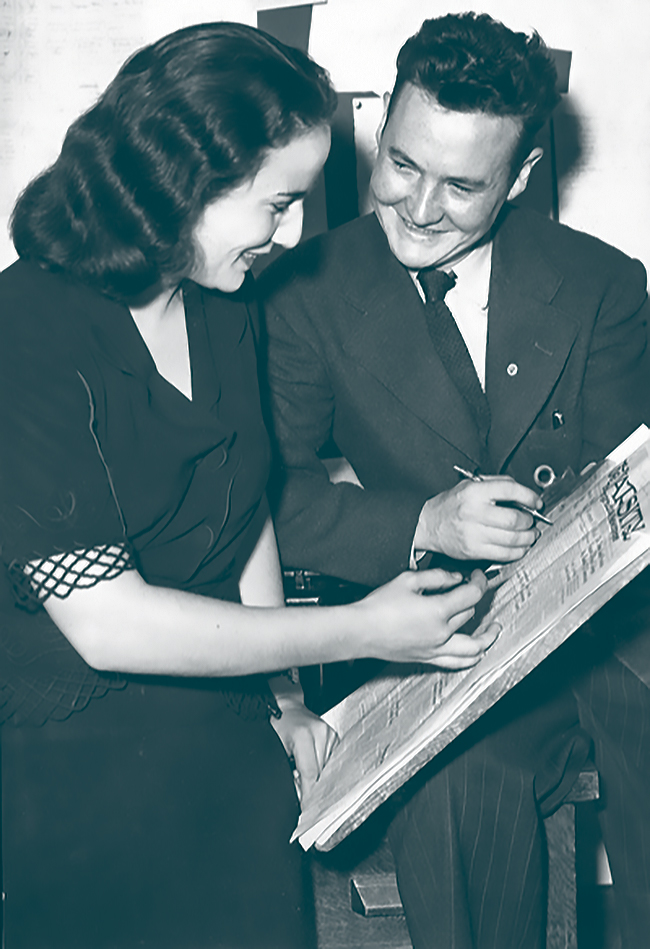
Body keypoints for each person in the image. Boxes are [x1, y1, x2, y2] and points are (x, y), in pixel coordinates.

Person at [0, 21, 499, 949]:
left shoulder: (223, 306)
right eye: (277, 203)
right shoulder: (26, 332)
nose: (294, 231)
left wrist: (286, 700)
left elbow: (247, 512)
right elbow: (108, 623)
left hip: (224, 716)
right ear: (182, 185)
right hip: (68, 757)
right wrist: (363, 626)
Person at [261, 12, 650, 949]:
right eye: (402, 165)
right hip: (452, 642)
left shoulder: (604, 282)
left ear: (518, 179)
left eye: (464, 185)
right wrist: (423, 518)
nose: (421, 208)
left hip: (620, 633)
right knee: (446, 797)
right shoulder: (304, 289)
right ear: (377, 133)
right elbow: (268, 501)